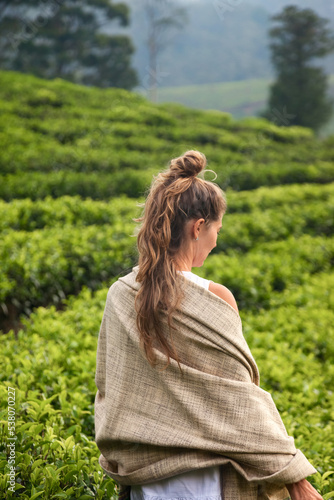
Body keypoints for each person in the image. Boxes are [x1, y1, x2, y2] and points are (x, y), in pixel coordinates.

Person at [94, 150, 323, 500]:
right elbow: (240, 400)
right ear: (199, 226)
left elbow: (112, 388)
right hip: (204, 484)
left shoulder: (120, 295)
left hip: (146, 483)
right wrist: (296, 477)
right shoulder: (216, 298)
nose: (216, 240)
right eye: (217, 229)